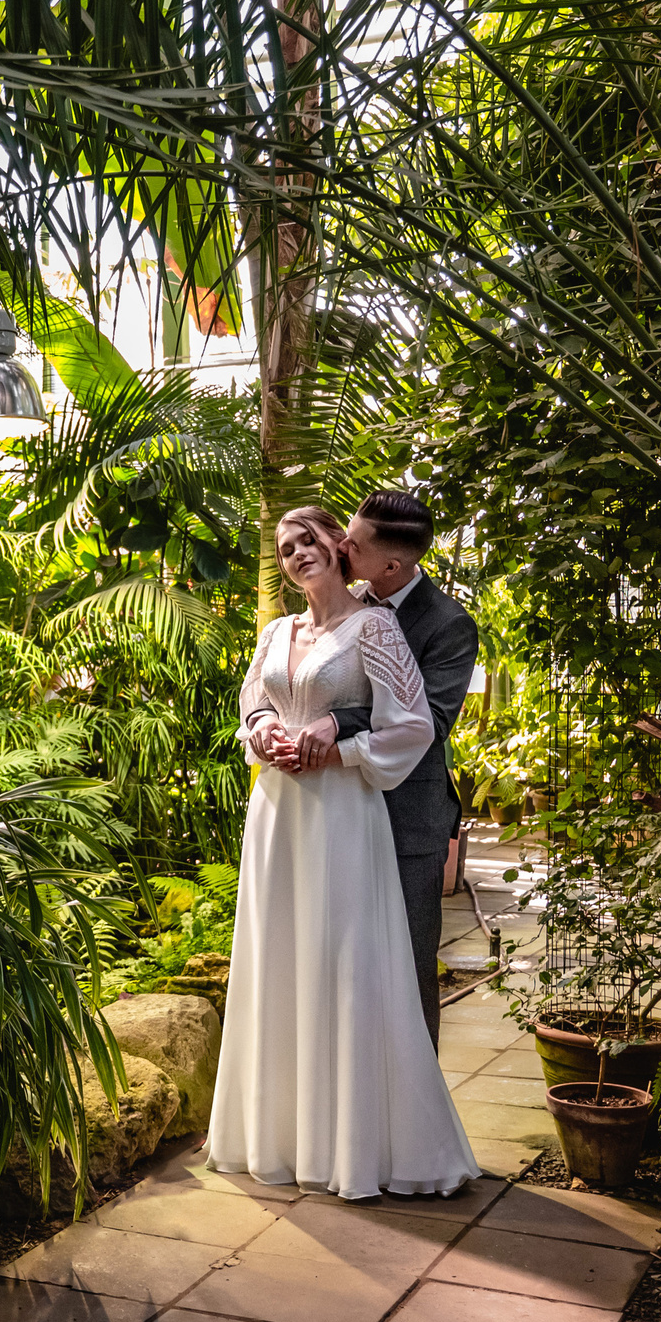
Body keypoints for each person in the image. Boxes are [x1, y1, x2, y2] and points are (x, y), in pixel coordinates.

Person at [210, 506, 479, 1200]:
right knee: (287, 962)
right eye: (286, 546)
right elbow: (254, 698)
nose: (310, 552)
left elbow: (421, 721)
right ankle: (287, 1132)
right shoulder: (279, 629)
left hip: (369, 813)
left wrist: (338, 739)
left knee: (383, 977)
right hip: (281, 817)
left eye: (326, 541)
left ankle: (382, 1137)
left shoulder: (409, 625)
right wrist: (264, 727)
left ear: (359, 553)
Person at [285, 491, 480, 1048]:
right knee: (341, 968)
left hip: (406, 821)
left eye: (353, 542)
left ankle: (414, 1122)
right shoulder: (339, 605)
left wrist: (336, 721)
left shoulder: (447, 625)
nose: (339, 545)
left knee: (408, 968)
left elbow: (432, 720)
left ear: (392, 565)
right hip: (335, 813)